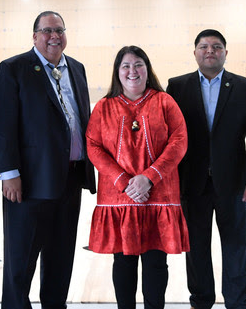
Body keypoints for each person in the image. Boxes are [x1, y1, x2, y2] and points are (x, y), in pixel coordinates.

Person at [0, 11, 96, 309]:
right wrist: (8, 173)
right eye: (47, 30)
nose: (54, 36)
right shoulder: (14, 68)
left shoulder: (76, 68)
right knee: (21, 259)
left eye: (60, 30)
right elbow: (2, 124)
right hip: (29, 180)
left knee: (61, 256)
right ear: (35, 35)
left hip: (71, 177)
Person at [166, 29, 246, 309]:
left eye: (216, 46)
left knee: (235, 247)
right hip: (191, 183)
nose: (210, 51)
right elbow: (170, 135)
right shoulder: (178, 86)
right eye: (204, 46)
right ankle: (201, 300)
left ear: (225, 52)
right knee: (195, 248)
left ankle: (237, 302)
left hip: (233, 184)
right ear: (195, 52)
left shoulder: (244, 87)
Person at [86, 45, 189, 309]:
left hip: (159, 194)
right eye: (126, 66)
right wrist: (123, 181)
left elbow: (179, 140)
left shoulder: (165, 102)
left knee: (156, 263)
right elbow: (93, 146)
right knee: (123, 262)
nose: (133, 71)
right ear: (117, 72)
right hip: (119, 198)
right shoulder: (104, 107)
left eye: (138, 64)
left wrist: (150, 177)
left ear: (147, 68)